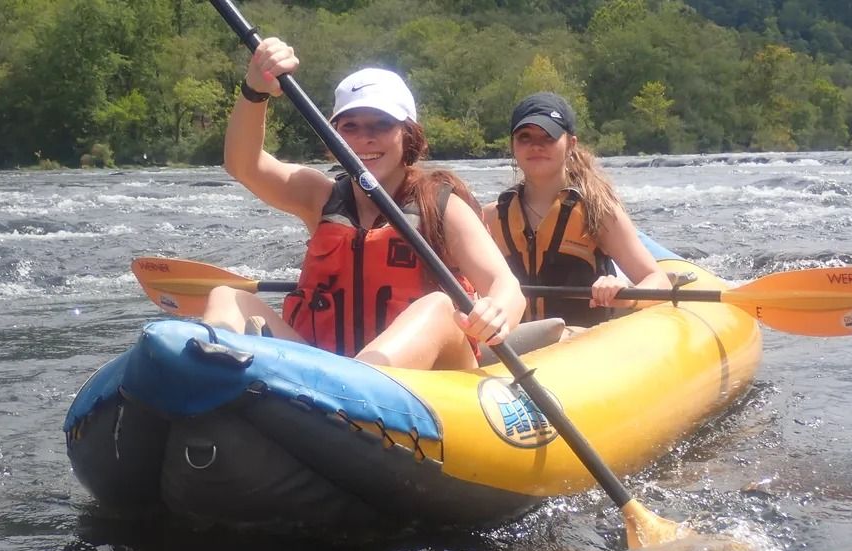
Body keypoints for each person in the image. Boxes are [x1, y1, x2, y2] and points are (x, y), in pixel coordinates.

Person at [201, 38, 525, 370]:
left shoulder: (441, 206)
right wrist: (256, 90)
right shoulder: (321, 196)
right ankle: (205, 385)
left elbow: (506, 286)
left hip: (429, 381)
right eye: (350, 127)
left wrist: (496, 312)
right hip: (324, 372)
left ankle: (354, 385)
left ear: (407, 134)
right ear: (335, 135)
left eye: (380, 125)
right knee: (228, 298)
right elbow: (243, 164)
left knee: (440, 307)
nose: (364, 138)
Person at [482, 92, 670, 328]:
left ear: (571, 144)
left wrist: (624, 293)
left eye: (548, 136)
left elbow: (658, 280)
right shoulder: (491, 217)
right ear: (513, 146)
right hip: (516, 344)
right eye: (525, 137)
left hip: (580, 342)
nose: (536, 145)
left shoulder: (598, 212)